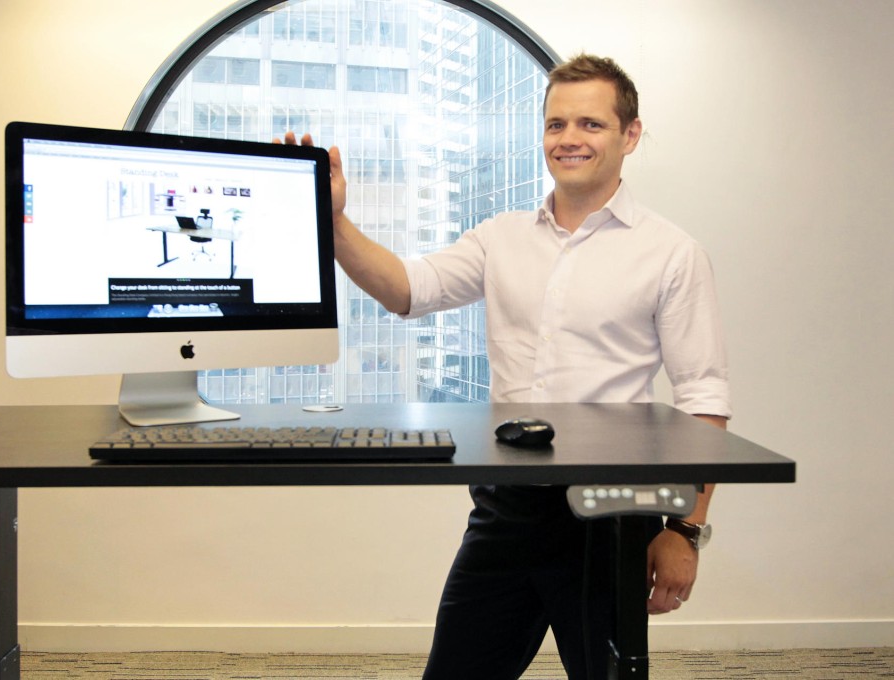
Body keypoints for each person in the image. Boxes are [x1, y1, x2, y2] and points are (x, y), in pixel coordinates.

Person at [278, 53, 731, 680]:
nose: (569, 139)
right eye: (556, 124)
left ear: (630, 135)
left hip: (612, 514)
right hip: (508, 507)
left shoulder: (672, 253)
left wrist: (685, 530)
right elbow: (407, 290)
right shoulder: (501, 237)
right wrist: (334, 222)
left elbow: (702, 397)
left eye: (591, 125)